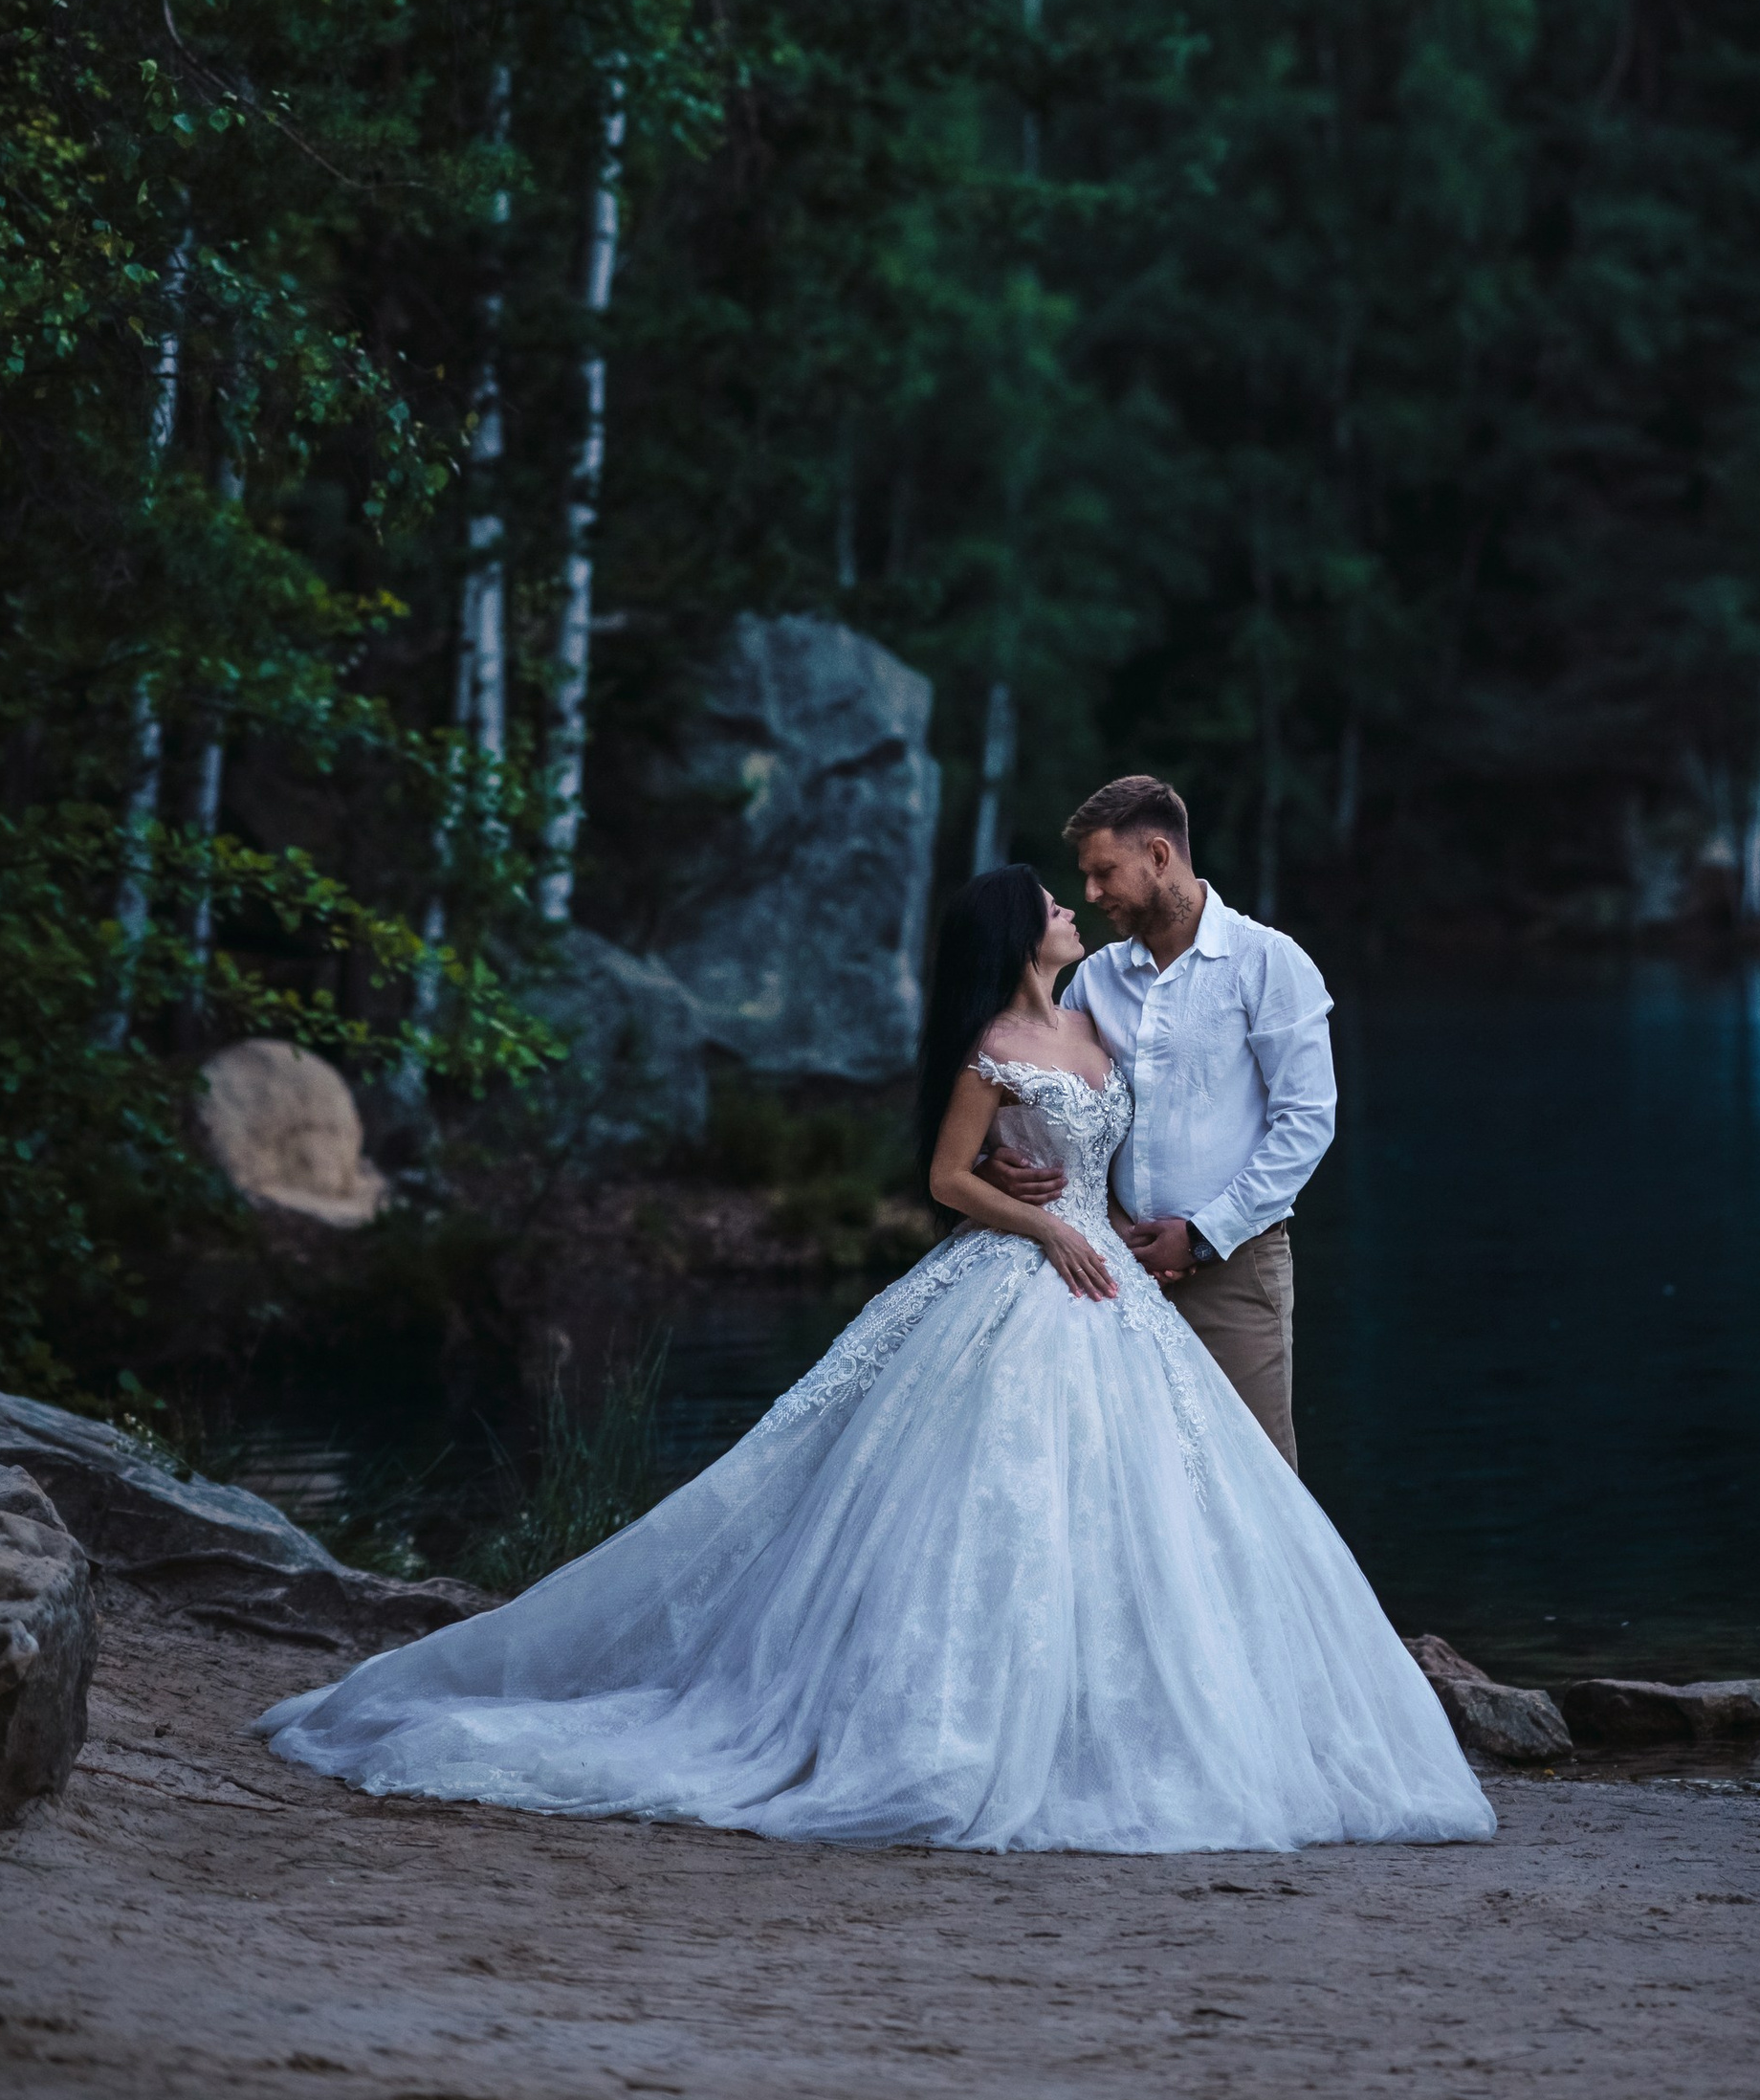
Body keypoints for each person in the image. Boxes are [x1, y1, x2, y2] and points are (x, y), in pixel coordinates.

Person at [259, 864, 1489, 1857]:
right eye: (1056, 901)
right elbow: (948, 1176)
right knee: (988, 1502)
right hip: (1032, 1276)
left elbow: (1157, 1126)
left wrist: (1107, 1219)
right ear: (1018, 933)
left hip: (1115, 1279)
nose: (1076, 907)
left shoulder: (1097, 1010)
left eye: (1086, 886)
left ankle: (1151, 1709)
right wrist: (1044, 1221)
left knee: (1155, 1507)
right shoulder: (993, 1040)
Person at [985, 772, 1331, 1467]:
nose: (1090, 893)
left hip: (1234, 1272)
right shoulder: (1095, 978)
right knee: (1127, 1484)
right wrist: (998, 1161)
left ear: (1159, 856)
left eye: (1104, 872)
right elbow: (1048, 1101)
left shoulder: (1267, 961)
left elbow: (1306, 1123)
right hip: (1110, 1273)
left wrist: (1200, 1238)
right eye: (1084, 876)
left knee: (1255, 1482)